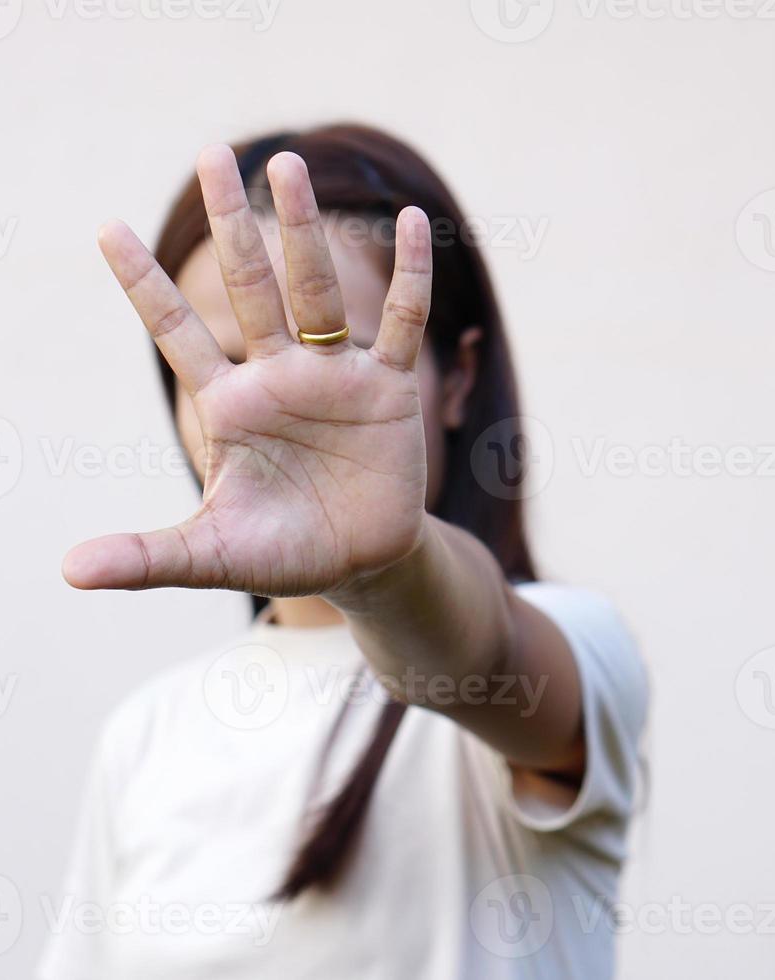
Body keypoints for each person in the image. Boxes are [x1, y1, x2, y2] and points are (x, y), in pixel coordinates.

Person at [40, 124, 648, 979]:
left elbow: (484, 653)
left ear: (459, 378)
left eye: (335, 355)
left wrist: (385, 567)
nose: (277, 408)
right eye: (223, 365)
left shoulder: (573, 650)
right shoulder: (147, 734)